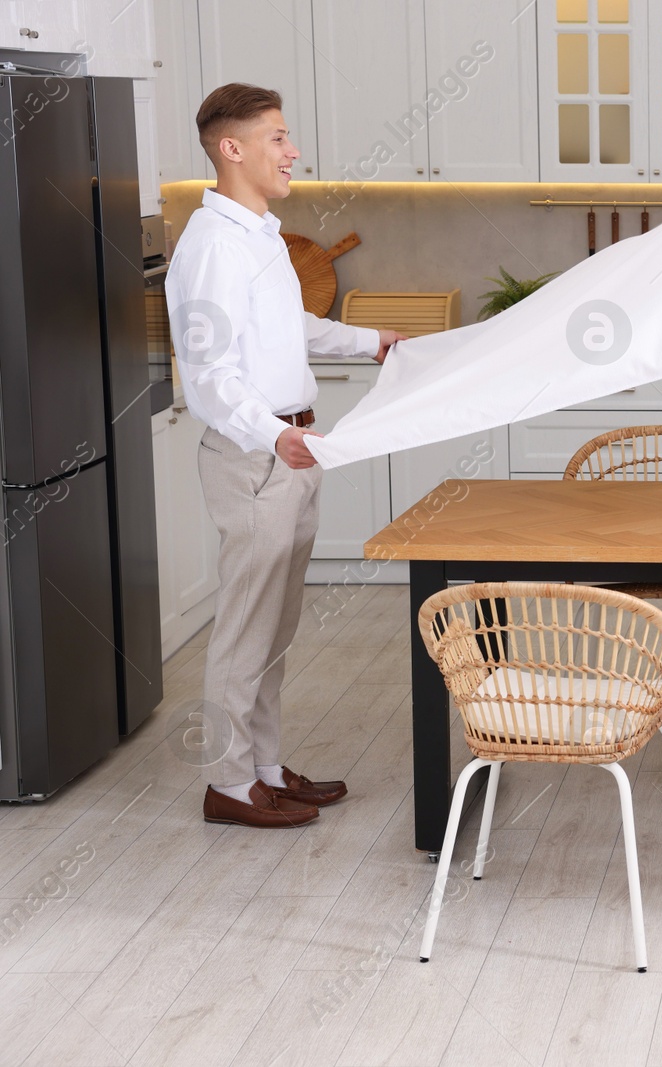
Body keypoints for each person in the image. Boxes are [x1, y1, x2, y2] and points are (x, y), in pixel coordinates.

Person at [166, 83, 407, 828]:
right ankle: (230, 784)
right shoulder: (209, 248)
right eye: (277, 137)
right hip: (257, 456)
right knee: (246, 627)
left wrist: (372, 341)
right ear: (231, 148)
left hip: (290, 449)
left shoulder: (260, 234)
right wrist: (274, 435)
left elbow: (288, 327)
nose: (292, 150)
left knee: (275, 626)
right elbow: (206, 376)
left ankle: (265, 767)